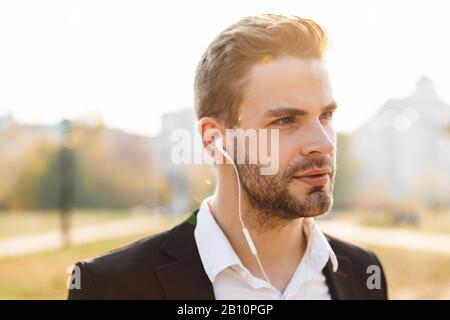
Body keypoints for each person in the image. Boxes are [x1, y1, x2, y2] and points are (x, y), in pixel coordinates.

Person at [68, 14, 387, 300]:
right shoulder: (111, 288)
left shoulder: (364, 274)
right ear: (214, 140)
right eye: (286, 121)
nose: (323, 144)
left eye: (326, 117)